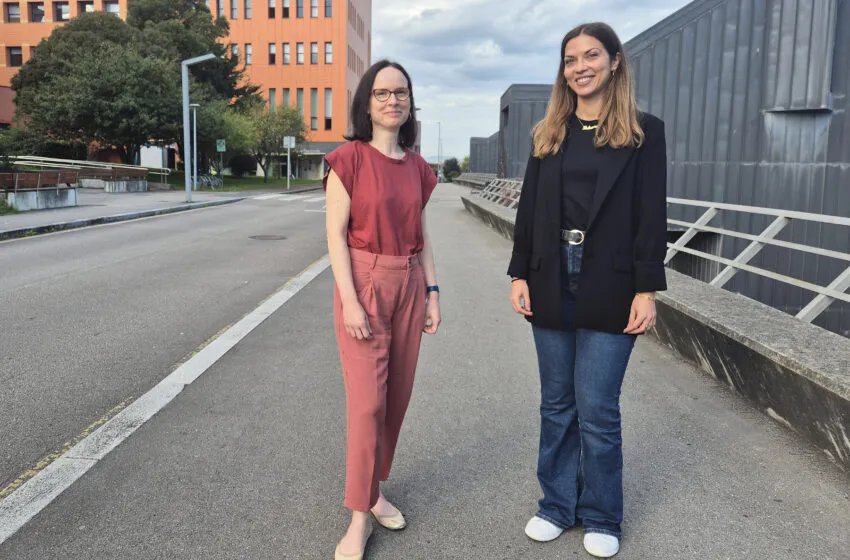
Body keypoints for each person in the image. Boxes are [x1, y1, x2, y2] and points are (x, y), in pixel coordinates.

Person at [508, 22, 667, 558]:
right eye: (571, 59)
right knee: (557, 405)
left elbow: (651, 216)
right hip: (551, 272)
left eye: (591, 55)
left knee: (597, 407)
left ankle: (602, 514)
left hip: (613, 280)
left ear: (615, 61)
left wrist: (647, 290)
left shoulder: (645, 133)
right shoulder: (548, 132)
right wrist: (519, 274)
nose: (580, 66)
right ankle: (556, 504)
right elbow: (528, 212)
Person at [324, 59, 440, 560]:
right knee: (367, 403)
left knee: (396, 399)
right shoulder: (348, 159)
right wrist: (350, 300)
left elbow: (422, 232)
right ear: (367, 102)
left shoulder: (417, 168)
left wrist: (433, 291)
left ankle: (375, 492)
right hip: (366, 283)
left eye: (401, 93)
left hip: (411, 281)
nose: (393, 100)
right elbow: (333, 235)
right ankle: (358, 517)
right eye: (382, 92)